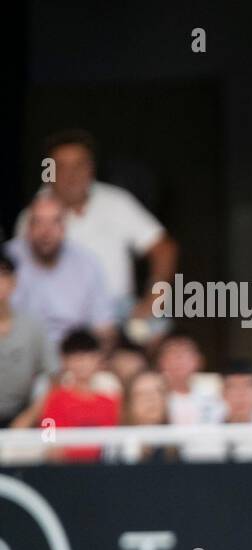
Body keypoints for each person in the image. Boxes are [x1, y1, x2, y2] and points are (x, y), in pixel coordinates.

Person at [16, 130, 178, 331]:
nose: (71, 175)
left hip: (117, 307)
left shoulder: (116, 202)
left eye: (79, 165)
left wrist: (155, 298)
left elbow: (163, 248)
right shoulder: (34, 215)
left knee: (159, 329)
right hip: (58, 315)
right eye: (61, 166)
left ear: (91, 168)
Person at [6, 194, 115, 353]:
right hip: (17, 354)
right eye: (38, 222)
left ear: (64, 227)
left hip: (73, 353)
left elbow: (104, 328)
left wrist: (90, 361)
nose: (46, 232)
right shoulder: (6, 260)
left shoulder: (87, 263)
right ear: (28, 227)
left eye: (55, 222)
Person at [12, 328, 118, 462]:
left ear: (98, 359)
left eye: (87, 356)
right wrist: (49, 446)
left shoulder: (110, 402)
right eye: (76, 358)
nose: (82, 363)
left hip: (104, 467)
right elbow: (47, 433)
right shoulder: (55, 399)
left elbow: (114, 440)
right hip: (65, 468)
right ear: (65, 361)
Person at [0, 250, 51, 428]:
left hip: (23, 417)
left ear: (13, 282)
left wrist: (29, 417)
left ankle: (51, 454)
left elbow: (53, 376)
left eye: (3, 275)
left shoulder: (32, 325)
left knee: (49, 424)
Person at [156, 331, 222, 426]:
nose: (179, 360)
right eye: (172, 354)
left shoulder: (214, 394)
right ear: (161, 362)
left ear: (199, 361)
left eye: (185, 354)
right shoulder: (153, 396)